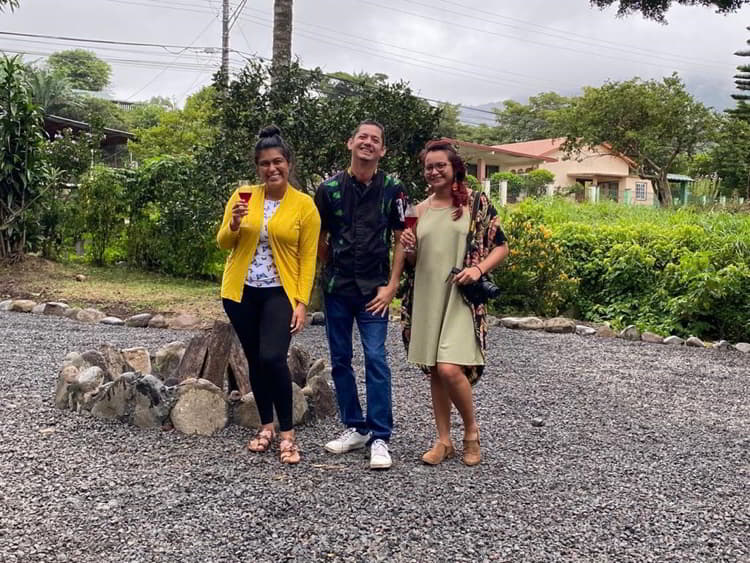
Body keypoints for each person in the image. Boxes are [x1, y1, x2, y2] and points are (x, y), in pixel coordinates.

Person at [399, 139, 509, 467]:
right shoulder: (417, 211)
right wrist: (408, 247)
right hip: (427, 296)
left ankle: (471, 432)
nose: (434, 171)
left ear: (454, 168)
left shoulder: (476, 203)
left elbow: (501, 247)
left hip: (460, 297)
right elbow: (416, 262)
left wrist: (478, 269)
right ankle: (442, 440)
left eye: (440, 165)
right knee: (434, 369)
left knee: (449, 368)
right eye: (429, 167)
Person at [217, 125, 321, 465]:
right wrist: (233, 224)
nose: (271, 169)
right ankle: (265, 426)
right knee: (253, 358)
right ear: (257, 167)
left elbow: (308, 258)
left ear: (289, 163)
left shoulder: (304, 205)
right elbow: (223, 243)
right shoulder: (244, 196)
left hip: (280, 292)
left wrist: (302, 302)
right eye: (264, 163)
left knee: (273, 357)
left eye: (278, 162)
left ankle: (288, 433)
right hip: (240, 291)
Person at [314, 120, 407, 470]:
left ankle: (380, 435)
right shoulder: (328, 189)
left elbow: (402, 238)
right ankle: (355, 426)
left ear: (382, 150)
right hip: (338, 290)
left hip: (375, 291)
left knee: (376, 358)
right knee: (340, 359)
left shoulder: (393, 190)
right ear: (350, 143)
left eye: (376, 140)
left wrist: (391, 285)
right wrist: (334, 264)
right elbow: (319, 239)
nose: (368, 143)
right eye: (362, 137)